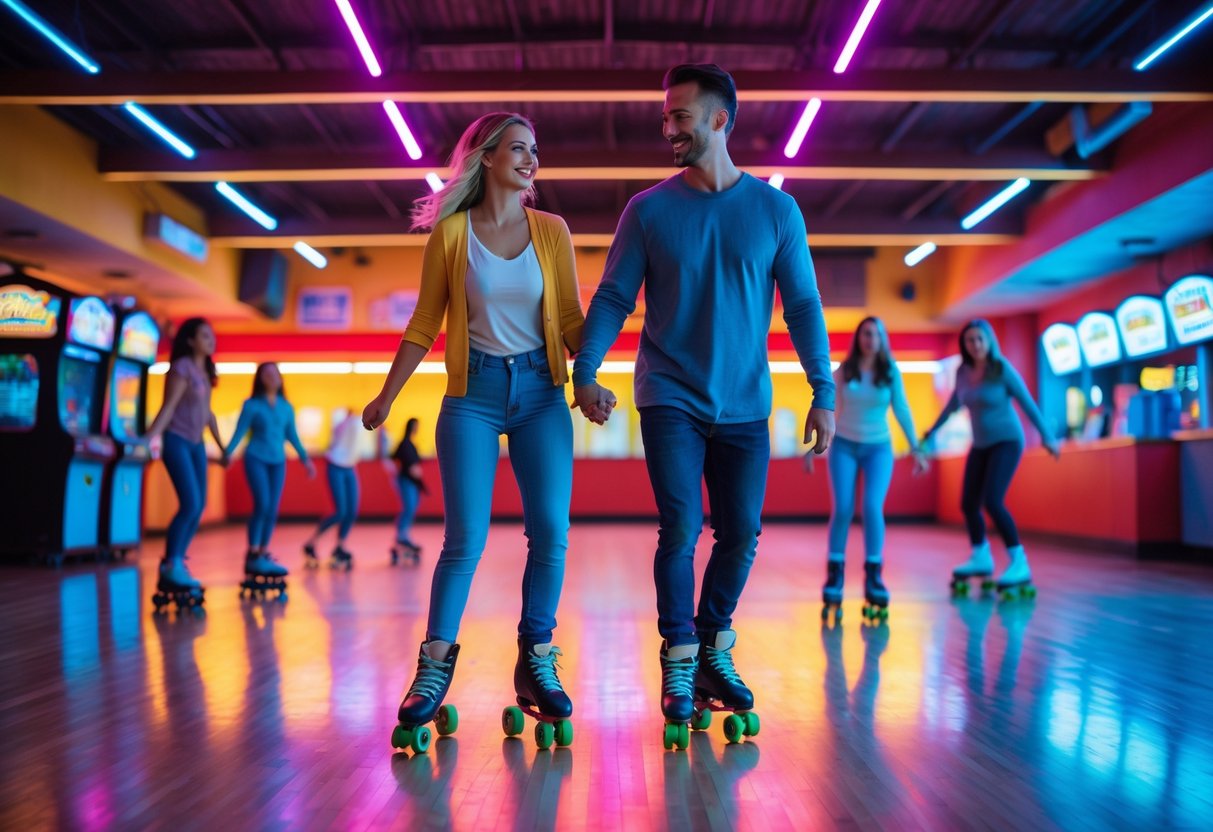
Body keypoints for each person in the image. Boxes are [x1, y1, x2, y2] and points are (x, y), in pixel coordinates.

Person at [571, 64, 835, 749]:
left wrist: (821, 391)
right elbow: (612, 298)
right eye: (665, 117)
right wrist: (585, 369)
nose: (667, 128)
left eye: (679, 116)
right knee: (681, 527)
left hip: (746, 402)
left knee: (741, 533)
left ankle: (716, 644)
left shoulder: (776, 211)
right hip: (670, 394)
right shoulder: (648, 210)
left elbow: (802, 304)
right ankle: (681, 660)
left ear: (719, 120)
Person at [362, 112, 591, 752]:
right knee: (465, 538)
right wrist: (388, 395)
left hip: (542, 394)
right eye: (519, 148)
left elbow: (571, 319)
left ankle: (536, 658)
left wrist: (591, 375)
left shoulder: (552, 231)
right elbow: (424, 322)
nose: (531, 159)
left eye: (535, 150)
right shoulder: (452, 234)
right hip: (473, 395)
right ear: (486, 158)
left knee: (551, 530)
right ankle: (433, 669)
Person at [921, 319, 1060, 598]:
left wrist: (1047, 435)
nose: (975, 345)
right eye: (970, 340)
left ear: (989, 341)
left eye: (979, 340)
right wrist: (929, 433)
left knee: (992, 501)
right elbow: (952, 406)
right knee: (969, 503)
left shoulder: (1001, 369)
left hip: (1007, 441)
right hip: (981, 443)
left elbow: (1026, 402)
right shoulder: (963, 371)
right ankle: (981, 557)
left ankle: (1019, 563)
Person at [806, 317, 927, 622]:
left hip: (878, 449)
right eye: (865, 334)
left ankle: (874, 576)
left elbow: (902, 409)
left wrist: (916, 447)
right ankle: (835, 576)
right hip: (844, 445)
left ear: (883, 339)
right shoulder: (846, 371)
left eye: (876, 334)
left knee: (873, 507)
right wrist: (814, 445)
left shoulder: (890, 372)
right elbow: (826, 402)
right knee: (843, 509)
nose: (870, 339)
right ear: (858, 339)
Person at [144, 317, 226, 609]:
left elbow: (209, 415)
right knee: (190, 504)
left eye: (211, 335)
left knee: (198, 505)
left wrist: (222, 447)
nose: (210, 340)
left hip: (197, 443)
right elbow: (168, 407)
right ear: (190, 340)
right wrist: (149, 438)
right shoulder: (181, 368)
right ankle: (172, 564)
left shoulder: (204, 371)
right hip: (176, 440)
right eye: (204, 335)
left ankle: (176, 562)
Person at [224, 362, 315, 591]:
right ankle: (253, 552)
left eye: (275, 373)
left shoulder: (286, 407)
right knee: (262, 504)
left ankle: (263, 552)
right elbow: (240, 431)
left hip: (278, 462)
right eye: (266, 374)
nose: (272, 377)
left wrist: (306, 459)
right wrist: (227, 453)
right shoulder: (251, 405)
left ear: (280, 378)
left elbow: (292, 435)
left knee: (272, 508)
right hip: (255, 458)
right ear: (259, 379)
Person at [302, 408, 363, 569]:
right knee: (340, 512)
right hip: (335, 465)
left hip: (350, 467)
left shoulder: (359, 421)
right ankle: (311, 543)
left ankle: (340, 546)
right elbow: (334, 440)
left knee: (352, 511)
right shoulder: (342, 422)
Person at [390, 417, 427, 565]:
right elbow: (396, 460)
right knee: (409, 508)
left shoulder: (410, 444)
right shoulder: (405, 444)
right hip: (406, 481)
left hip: (411, 482)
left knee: (411, 508)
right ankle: (401, 536)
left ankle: (404, 534)